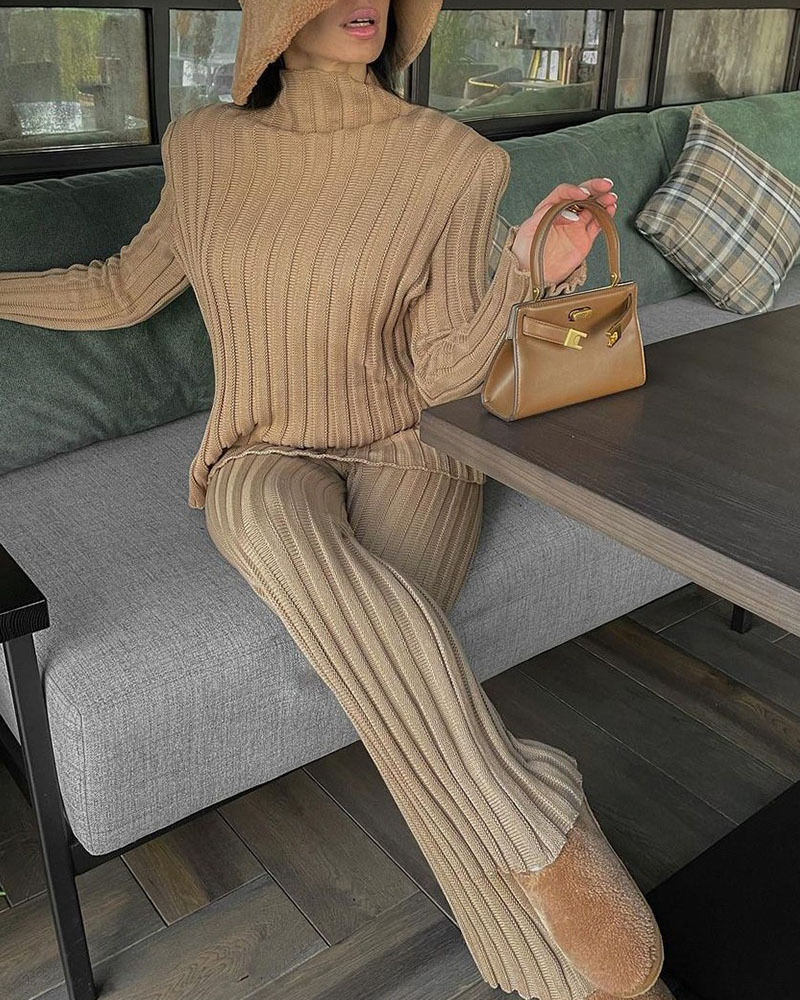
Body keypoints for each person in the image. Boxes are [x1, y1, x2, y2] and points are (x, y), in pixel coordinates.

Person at [0, 2, 674, 998]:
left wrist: (521, 272)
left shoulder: (450, 161)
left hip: (412, 450)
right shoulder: (205, 147)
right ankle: (530, 808)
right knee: (268, 527)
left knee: (376, 676)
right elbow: (119, 291)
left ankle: (555, 978)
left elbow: (445, 372)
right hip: (261, 448)